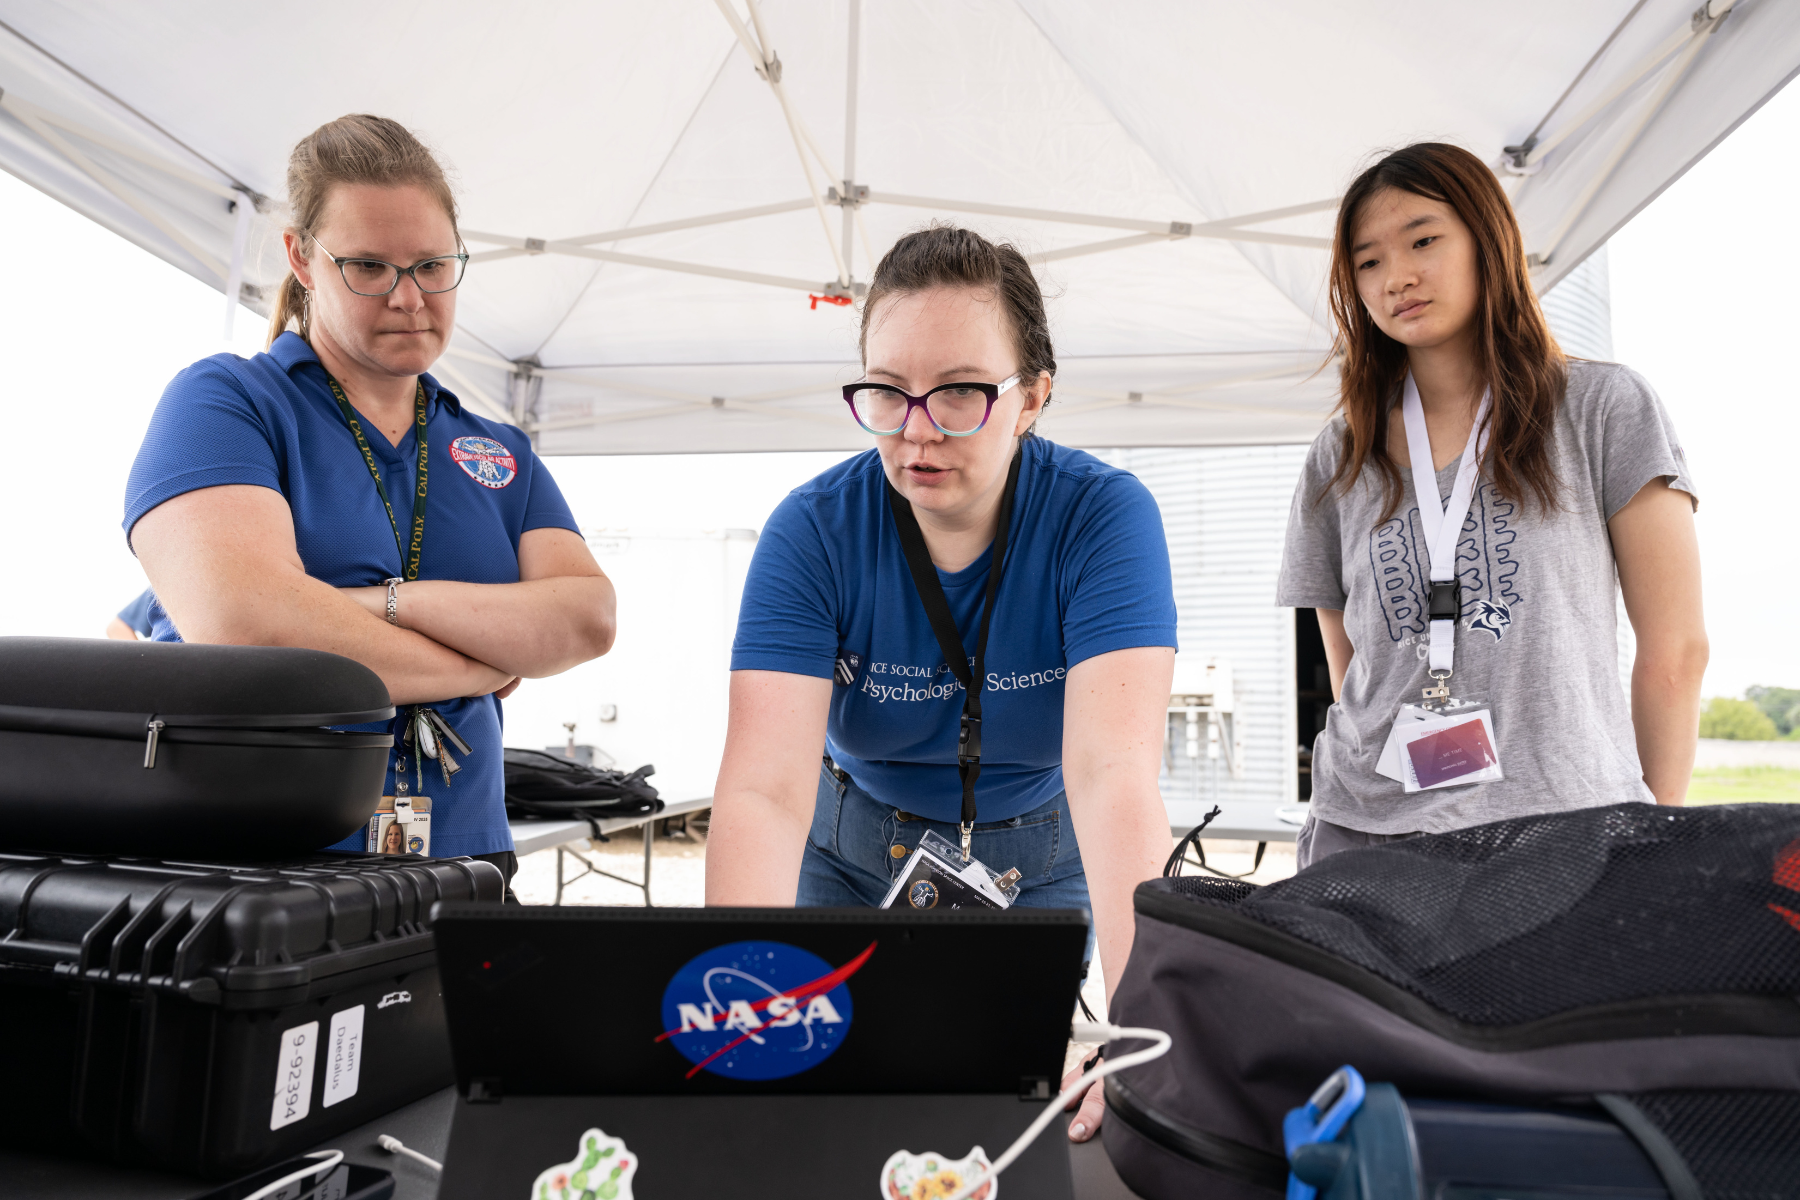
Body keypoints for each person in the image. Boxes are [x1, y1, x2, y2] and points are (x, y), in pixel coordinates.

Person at [706, 226, 1178, 1143]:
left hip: (1037, 862)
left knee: (1005, 1110)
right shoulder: (812, 532)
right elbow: (765, 790)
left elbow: (1113, 776)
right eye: (887, 392)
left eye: (960, 392)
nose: (917, 429)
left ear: (1033, 397)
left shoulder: (1103, 518)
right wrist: (732, 1005)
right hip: (843, 854)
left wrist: (1136, 1031)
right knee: (819, 1106)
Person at [124, 115, 616, 893]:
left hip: (467, 863)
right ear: (301, 258)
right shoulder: (230, 402)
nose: (408, 297)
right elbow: (247, 626)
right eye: (368, 267)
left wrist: (383, 604)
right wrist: (484, 663)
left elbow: (587, 618)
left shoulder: (497, 448)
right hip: (265, 866)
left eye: (431, 265)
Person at [1278, 142, 1706, 868]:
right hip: (1364, 839)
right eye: (1368, 260)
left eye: (1422, 240)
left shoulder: (1603, 409)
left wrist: (1651, 840)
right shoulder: (1339, 453)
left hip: (1562, 828)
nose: (1397, 277)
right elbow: (1352, 667)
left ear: (1489, 242)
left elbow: (1676, 654)